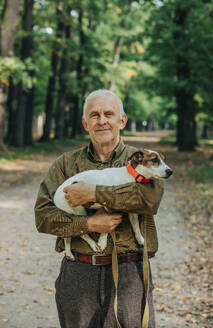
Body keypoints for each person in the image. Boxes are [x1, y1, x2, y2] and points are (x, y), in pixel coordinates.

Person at [34, 89, 163, 328]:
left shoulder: (144, 159)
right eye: (94, 115)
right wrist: (88, 224)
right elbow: (43, 217)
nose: (101, 120)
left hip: (130, 275)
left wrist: (93, 193)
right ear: (85, 123)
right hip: (79, 274)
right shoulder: (65, 164)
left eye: (109, 114)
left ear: (121, 120)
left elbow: (148, 200)